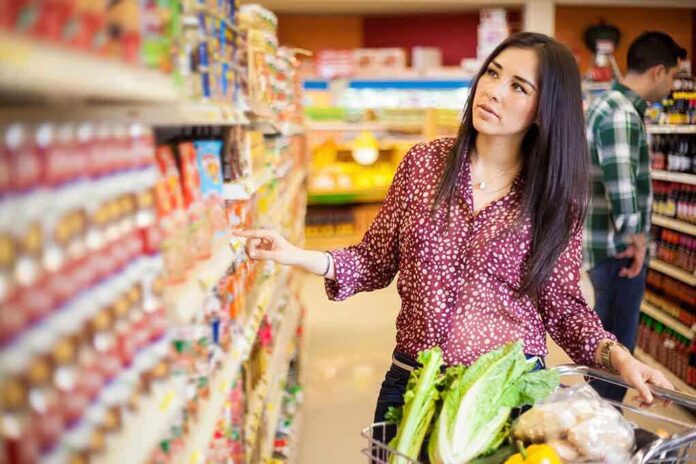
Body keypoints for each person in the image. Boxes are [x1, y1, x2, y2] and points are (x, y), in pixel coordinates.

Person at [235, 32, 673, 447]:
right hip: (412, 384)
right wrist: (298, 256)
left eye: (519, 87)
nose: (495, 90)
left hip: (504, 396)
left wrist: (619, 357)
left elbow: (561, 304)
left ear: (545, 109)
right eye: (494, 73)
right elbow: (373, 259)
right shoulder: (424, 164)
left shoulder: (555, 198)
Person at [584, 31, 686, 403]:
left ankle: (600, 425)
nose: (673, 85)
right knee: (617, 354)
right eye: (674, 76)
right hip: (619, 254)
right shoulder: (621, 113)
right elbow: (622, 190)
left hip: (605, 248)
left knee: (606, 349)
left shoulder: (603, 104)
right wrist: (638, 244)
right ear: (658, 71)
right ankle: (604, 437)